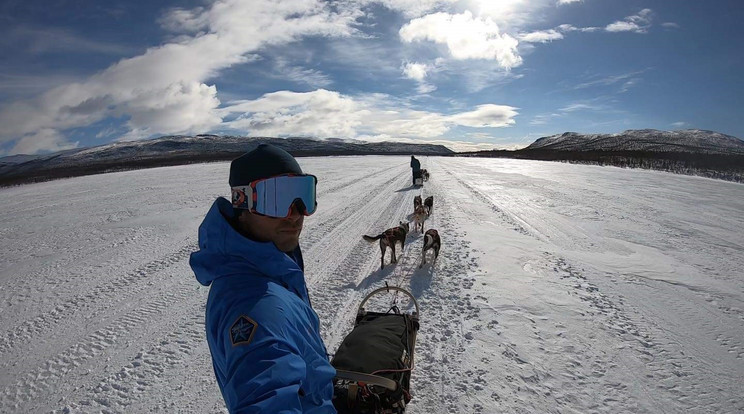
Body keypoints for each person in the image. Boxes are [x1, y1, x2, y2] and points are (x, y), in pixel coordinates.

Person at [190, 143, 336, 413]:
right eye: (277, 199)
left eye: (303, 196)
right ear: (242, 204)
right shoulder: (257, 308)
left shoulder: (269, 268)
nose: (295, 214)